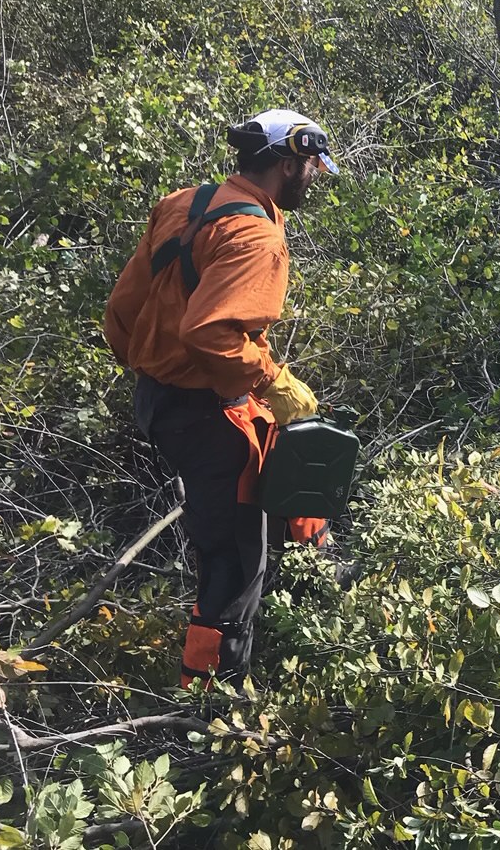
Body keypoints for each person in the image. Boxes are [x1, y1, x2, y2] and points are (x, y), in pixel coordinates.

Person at [104, 108, 339, 689]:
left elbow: (120, 315)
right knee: (234, 563)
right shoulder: (255, 234)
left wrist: (159, 369)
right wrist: (268, 379)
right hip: (203, 412)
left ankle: (326, 580)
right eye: (311, 164)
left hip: (161, 399)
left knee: (289, 462)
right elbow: (208, 333)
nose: (314, 176)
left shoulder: (184, 203)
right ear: (288, 163)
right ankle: (209, 702)